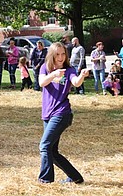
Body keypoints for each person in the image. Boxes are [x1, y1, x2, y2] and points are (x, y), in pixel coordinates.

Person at [38, 42, 89, 184]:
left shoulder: (69, 70)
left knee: (44, 145)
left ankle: (45, 180)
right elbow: (41, 82)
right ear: (52, 55)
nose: (60, 57)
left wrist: (82, 75)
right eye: (57, 54)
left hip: (61, 114)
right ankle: (76, 177)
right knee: (52, 152)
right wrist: (53, 74)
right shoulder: (45, 68)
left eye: (63, 54)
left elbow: (76, 82)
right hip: (47, 114)